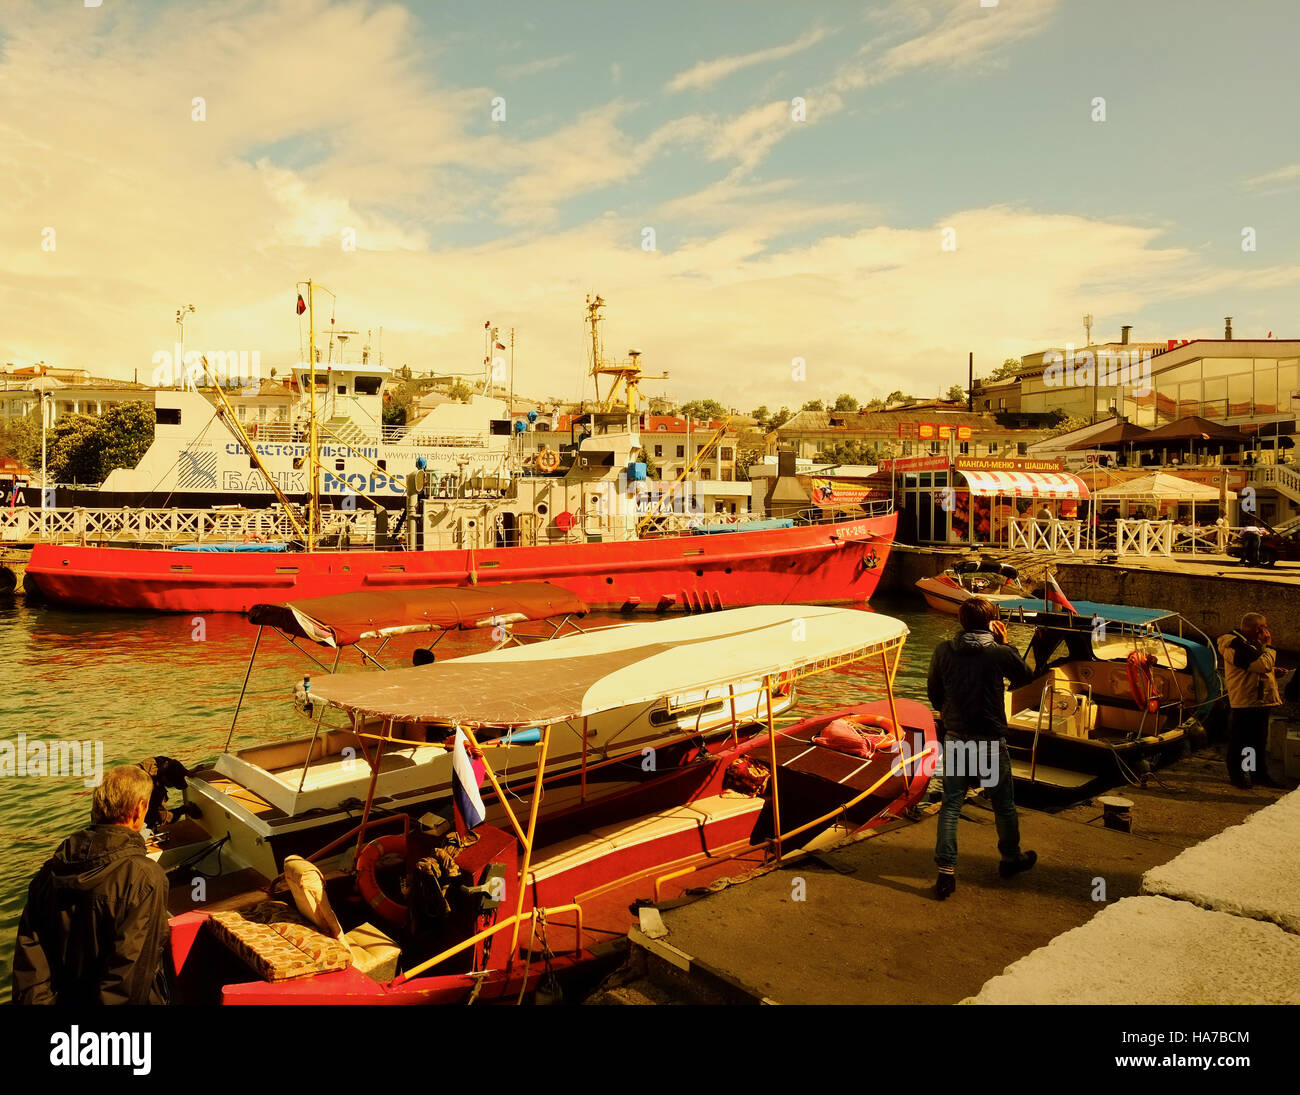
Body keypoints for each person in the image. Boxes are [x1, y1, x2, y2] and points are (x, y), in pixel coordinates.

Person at [12, 766, 173, 1005]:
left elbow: (31, 965)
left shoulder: (49, 872)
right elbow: (129, 976)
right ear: (139, 809)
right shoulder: (146, 878)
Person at [927, 597, 1038, 899]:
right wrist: (1007, 644)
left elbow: (934, 695)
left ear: (960, 621)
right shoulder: (999, 653)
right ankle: (1010, 858)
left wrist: (950, 714)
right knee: (1002, 803)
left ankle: (946, 874)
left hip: (956, 738)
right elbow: (1025, 678)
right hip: (989, 741)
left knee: (951, 804)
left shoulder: (943, 652)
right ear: (991, 622)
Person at [1218, 613, 1286, 789]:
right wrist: (1269, 647)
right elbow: (1261, 665)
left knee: (1257, 740)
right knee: (1242, 741)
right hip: (1247, 701)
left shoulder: (1249, 644)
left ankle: (1257, 774)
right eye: (1265, 627)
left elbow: (1257, 667)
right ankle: (1240, 776)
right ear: (1259, 629)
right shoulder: (1237, 646)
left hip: (1259, 700)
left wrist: (1273, 672)